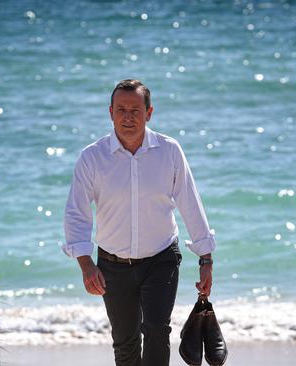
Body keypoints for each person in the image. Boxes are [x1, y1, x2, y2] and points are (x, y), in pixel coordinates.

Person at [63, 79, 216, 366]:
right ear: (110, 112)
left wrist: (206, 258)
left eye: (135, 109)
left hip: (161, 259)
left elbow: (190, 203)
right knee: (125, 341)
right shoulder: (92, 157)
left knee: (158, 331)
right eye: (121, 109)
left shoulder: (169, 151)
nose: (128, 117)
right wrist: (86, 264)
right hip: (112, 264)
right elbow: (76, 213)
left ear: (149, 112)